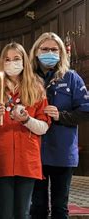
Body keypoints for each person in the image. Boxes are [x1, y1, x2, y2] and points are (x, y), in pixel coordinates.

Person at [0, 42, 50, 219]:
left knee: (23, 213)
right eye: (7, 60)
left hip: (27, 160)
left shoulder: (36, 88)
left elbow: (43, 127)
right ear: (2, 63)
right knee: (5, 213)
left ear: (24, 61)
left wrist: (26, 119)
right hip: (2, 159)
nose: (12, 63)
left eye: (16, 59)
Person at [28, 33, 89, 218]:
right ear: (36, 52)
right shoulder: (28, 78)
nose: (49, 53)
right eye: (45, 49)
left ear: (61, 53)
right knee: (37, 206)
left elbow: (85, 110)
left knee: (60, 207)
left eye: (54, 49)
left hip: (62, 152)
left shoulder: (71, 78)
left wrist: (61, 116)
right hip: (34, 151)